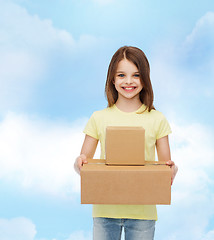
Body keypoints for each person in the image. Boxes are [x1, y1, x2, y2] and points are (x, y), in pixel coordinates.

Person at [74, 46, 178, 240]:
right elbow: (84, 164)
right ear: (112, 79)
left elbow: (164, 168)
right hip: (105, 211)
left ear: (145, 80)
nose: (128, 81)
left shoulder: (157, 119)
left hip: (143, 213)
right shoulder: (99, 118)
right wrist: (78, 162)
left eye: (136, 75)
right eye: (121, 75)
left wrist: (172, 170)